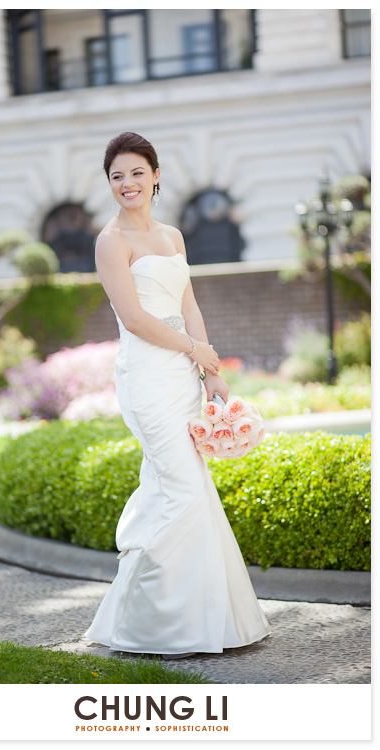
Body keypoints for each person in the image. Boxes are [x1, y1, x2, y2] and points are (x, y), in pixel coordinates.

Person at [84, 132, 271, 659]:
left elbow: (188, 303)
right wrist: (194, 348)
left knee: (186, 489)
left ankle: (202, 620)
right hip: (146, 376)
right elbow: (136, 318)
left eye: (136, 172)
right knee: (183, 489)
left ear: (156, 175)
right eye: (117, 175)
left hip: (185, 373)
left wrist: (208, 368)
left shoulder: (172, 236)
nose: (127, 183)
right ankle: (156, 626)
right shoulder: (110, 240)